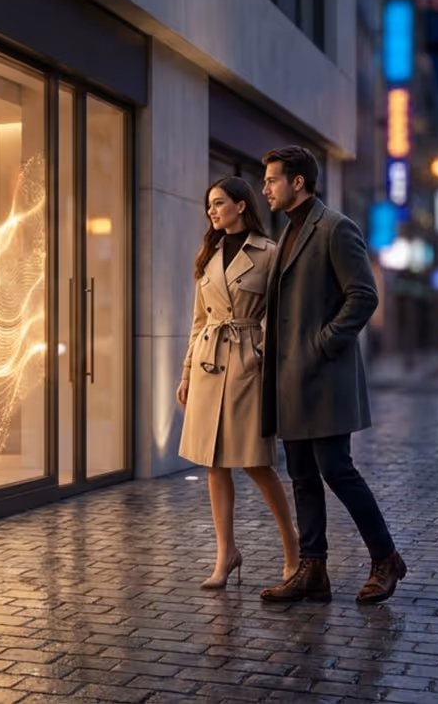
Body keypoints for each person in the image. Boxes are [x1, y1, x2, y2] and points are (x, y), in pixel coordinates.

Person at [256, 146, 407, 604]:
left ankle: (386, 560)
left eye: (272, 180)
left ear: (297, 182)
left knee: (337, 470)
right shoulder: (286, 234)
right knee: (301, 475)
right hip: (288, 380)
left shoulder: (336, 228)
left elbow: (362, 296)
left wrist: (320, 345)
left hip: (322, 375)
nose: (265, 188)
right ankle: (313, 568)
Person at [176, 177, 300, 589]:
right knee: (214, 463)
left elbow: (282, 313)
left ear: (242, 205)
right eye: (208, 205)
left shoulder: (268, 252)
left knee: (255, 462)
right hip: (209, 361)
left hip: (247, 363)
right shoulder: (208, 255)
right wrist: (186, 372)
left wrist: (261, 350)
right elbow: (199, 321)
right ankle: (225, 553)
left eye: (219, 203)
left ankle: (292, 549)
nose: (212, 211)